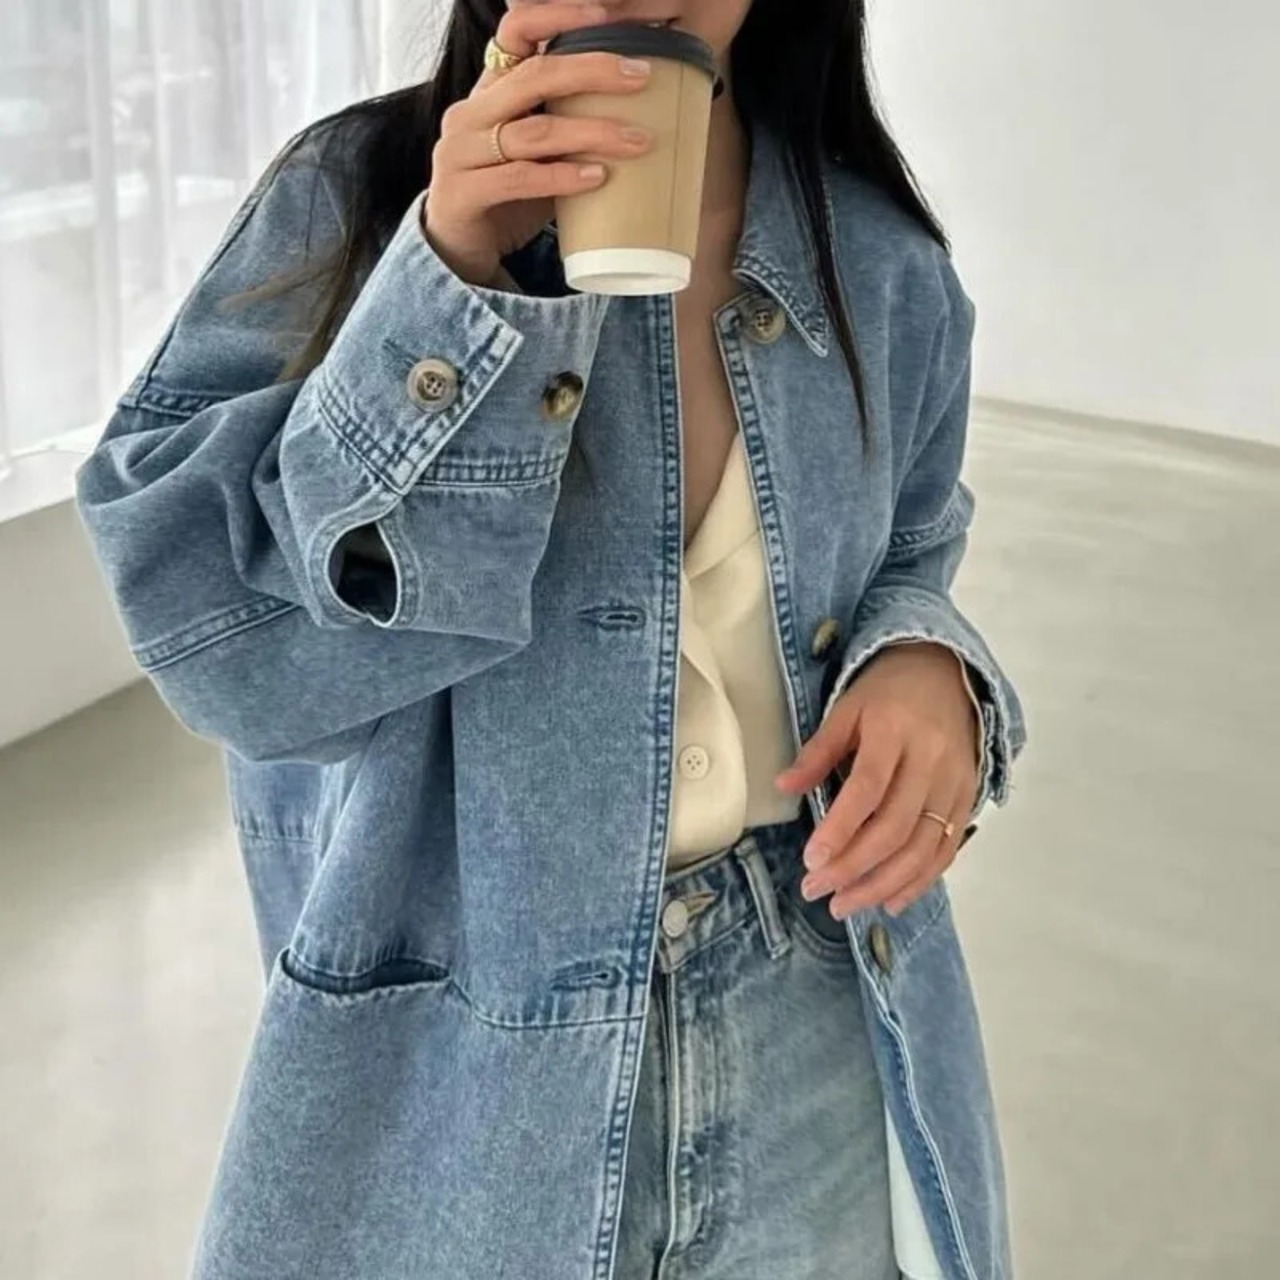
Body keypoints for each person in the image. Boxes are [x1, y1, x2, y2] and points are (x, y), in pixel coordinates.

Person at [75, 1, 1028, 1277]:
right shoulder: (351, 197)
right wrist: (449, 283)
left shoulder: (878, 261)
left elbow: (912, 541)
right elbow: (225, 656)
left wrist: (923, 661)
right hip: (465, 1046)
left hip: (807, 1004)